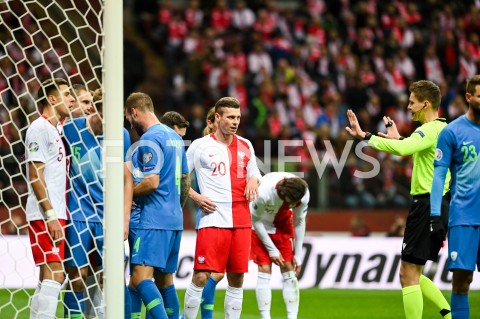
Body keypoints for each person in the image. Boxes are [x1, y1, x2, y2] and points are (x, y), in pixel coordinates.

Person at [346, 80, 452, 319]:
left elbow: (405, 150)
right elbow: (412, 147)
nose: (408, 107)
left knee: (407, 274)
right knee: (413, 272)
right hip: (437, 205)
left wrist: (365, 136)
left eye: (412, 102)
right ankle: (449, 314)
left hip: (426, 205)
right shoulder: (442, 129)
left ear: (426, 103)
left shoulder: (428, 130)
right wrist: (399, 140)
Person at [183, 97, 262, 319]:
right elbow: (178, 178)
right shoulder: (200, 146)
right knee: (201, 276)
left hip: (242, 220)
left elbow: (255, 172)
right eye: (230, 117)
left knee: (237, 278)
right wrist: (196, 197)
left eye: (238, 117)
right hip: (213, 218)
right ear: (217, 118)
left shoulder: (246, 144)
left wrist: (255, 180)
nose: (235, 122)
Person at [125, 92, 190, 319]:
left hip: (153, 218)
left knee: (140, 278)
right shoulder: (174, 137)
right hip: (174, 219)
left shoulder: (150, 138)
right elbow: (184, 180)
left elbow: (152, 182)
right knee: (164, 280)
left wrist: (125, 194)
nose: (129, 123)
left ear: (134, 111)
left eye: (128, 117)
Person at [430, 74, 480, 319]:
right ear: (469, 98)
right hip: (464, 217)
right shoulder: (452, 132)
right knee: (462, 280)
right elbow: (439, 176)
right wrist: (436, 215)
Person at [25, 77, 74, 318]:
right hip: (46, 214)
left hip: (57, 213)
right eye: (66, 94)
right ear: (52, 99)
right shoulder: (38, 128)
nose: (72, 98)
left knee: (48, 276)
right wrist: (51, 215)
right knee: (56, 273)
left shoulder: (56, 130)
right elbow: (35, 174)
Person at [62, 88, 107, 318]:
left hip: (107, 217)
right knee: (77, 277)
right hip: (78, 213)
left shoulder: (121, 135)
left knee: (107, 277)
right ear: (95, 110)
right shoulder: (71, 129)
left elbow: (126, 177)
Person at [250, 172, 309, 319]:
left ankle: (292, 317)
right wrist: (272, 250)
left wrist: (298, 255)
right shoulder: (263, 193)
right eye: (291, 203)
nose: (293, 206)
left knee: (289, 269)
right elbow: (255, 220)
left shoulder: (303, 194)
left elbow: (299, 221)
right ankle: (265, 317)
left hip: (282, 225)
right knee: (264, 268)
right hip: (259, 226)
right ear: (282, 194)